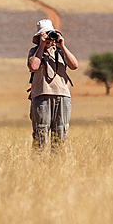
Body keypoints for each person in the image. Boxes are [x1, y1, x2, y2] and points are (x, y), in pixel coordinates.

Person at [27, 18, 79, 151]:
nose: (49, 37)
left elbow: (74, 65)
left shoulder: (60, 51)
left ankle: (57, 164)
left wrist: (62, 45)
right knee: (40, 132)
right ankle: (37, 164)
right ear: (39, 36)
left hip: (62, 95)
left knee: (60, 132)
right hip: (41, 95)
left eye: (51, 33)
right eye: (45, 34)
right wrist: (42, 46)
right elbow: (33, 66)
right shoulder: (34, 52)